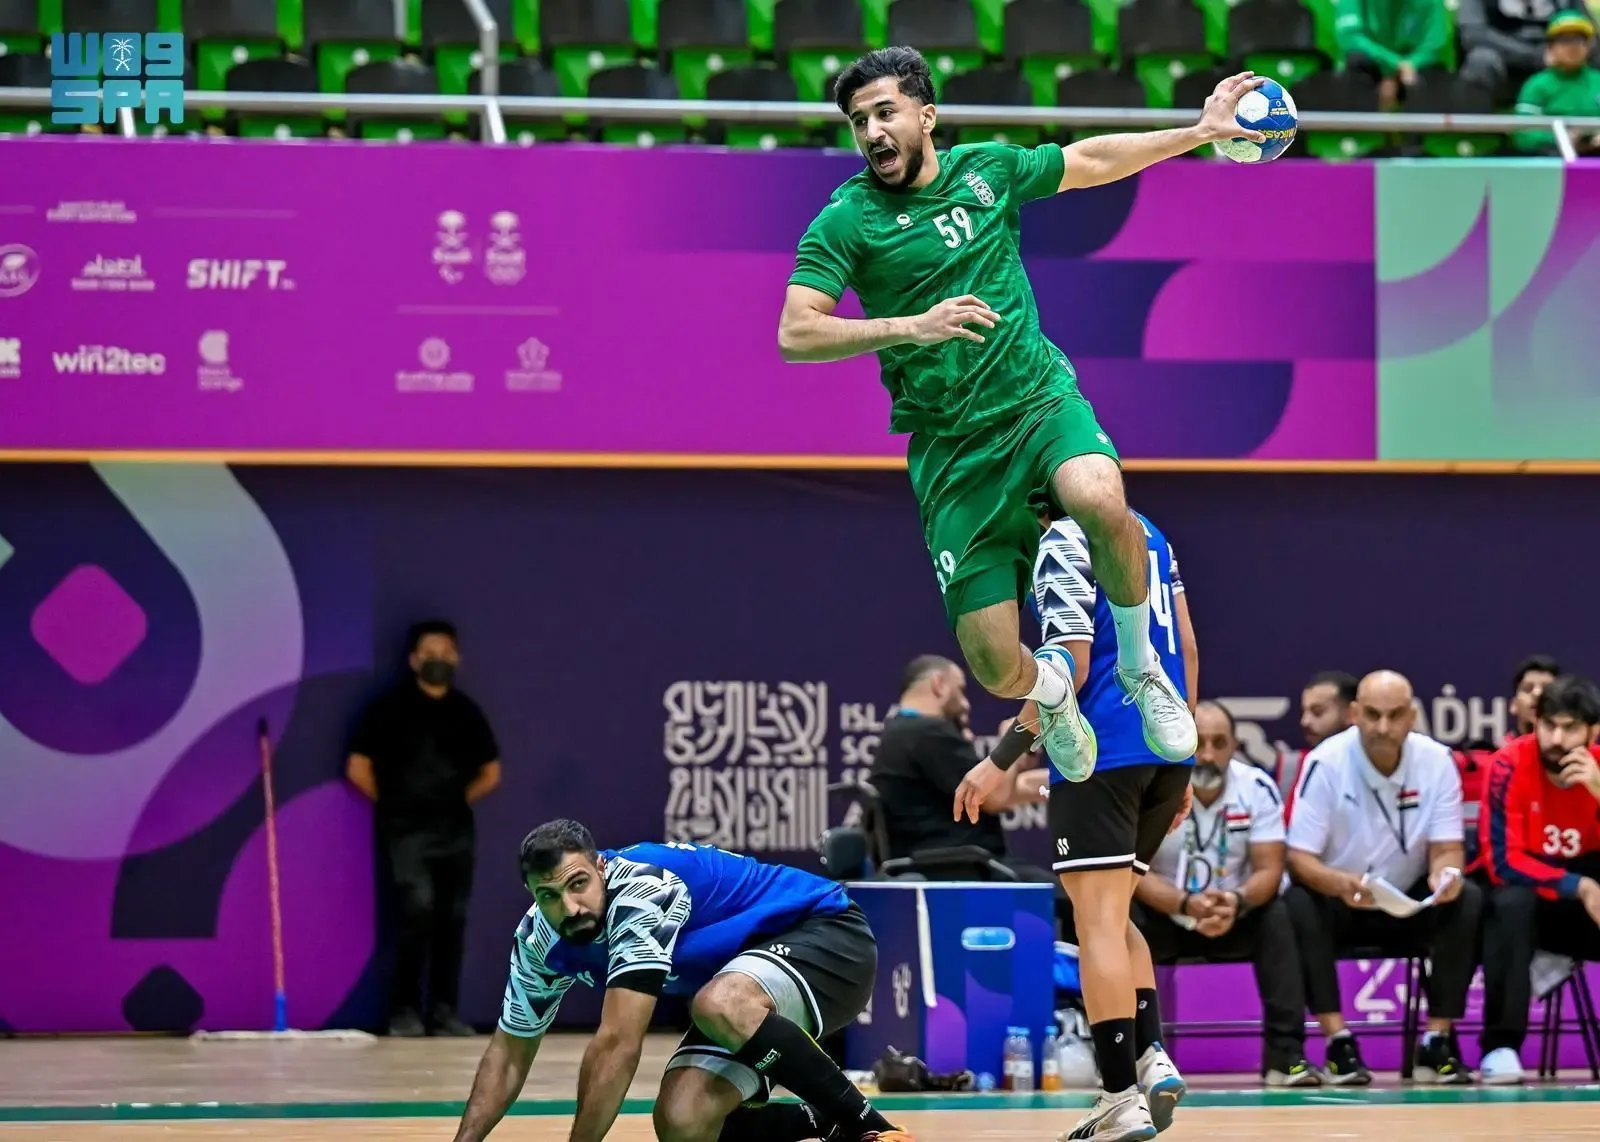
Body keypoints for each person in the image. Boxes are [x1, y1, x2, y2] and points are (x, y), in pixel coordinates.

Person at [776, 46, 1267, 782]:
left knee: (1102, 498)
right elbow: (796, 331)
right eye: (858, 121)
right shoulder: (847, 221)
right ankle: (1053, 694)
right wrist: (911, 325)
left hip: (1037, 402)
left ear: (925, 115)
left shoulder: (989, 172)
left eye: (885, 112)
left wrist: (1197, 132)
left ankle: (1138, 669)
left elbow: (1092, 159)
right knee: (995, 663)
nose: (873, 132)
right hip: (953, 452)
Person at [956, 507, 1195, 1141]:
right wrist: (1185, 755)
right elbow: (1188, 647)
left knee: (1095, 928)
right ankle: (1150, 1055)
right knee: (1114, 919)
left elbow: (1073, 669)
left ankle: (1118, 1097)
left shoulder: (1064, 538)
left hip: (1103, 752)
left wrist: (999, 761)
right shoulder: (1149, 531)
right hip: (1166, 752)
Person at [449, 820, 910, 1142]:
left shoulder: (639, 893)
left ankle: (871, 1126)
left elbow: (618, 1043)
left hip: (829, 935)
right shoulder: (539, 940)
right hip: (752, 980)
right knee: (681, 1119)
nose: (569, 906)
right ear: (531, 895)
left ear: (601, 869)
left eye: (578, 884)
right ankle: (818, 1121)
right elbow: (509, 1053)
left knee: (717, 1004)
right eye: (548, 895)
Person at [1283, 670, 1482, 1085]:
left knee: (1468, 900)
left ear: (1412, 717)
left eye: (1394, 716)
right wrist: (1338, 883)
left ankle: (1437, 1042)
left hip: (1408, 900)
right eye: (1372, 715)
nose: (1383, 727)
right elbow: (1299, 858)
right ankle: (1338, 1042)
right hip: (1342, 897)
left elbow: (1448, 848)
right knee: (1297, 903)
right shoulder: (1326, 762)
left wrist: (1445, 876)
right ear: (1354, 713)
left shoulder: (1437, 761)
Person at [1132, 702, 1318, 1086]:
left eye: (1219, 743)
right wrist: (1183, 904)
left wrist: (1236, 902)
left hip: (1232, 915)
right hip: (1167, 914)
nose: (1208, 754)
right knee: (1121, 917)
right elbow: (1133, 871)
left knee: (1280, 915)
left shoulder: (1255, 787)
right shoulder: (1152, 788)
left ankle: (1285, 1058)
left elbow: (1270, 868)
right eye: (1199, 743)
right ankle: (1134, 1056)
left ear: (1235, 744)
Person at [347, 619, 502, 1038]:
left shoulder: (466, 712)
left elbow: (491, 771)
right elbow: (358, 768)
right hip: (405, 831)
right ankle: (403, 1011)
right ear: (414, 659)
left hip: (456, 830)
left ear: (457, 658)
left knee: (452, 918)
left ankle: (444, 1011)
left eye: (445, 652)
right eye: (429, 652)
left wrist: (453, 801)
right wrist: (398, 804)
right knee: (415, 912)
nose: (438, 660)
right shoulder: (388, 709)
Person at [1477, 674, 1600, 1085]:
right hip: (1531, 900)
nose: (1556, 738)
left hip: (1585, 910)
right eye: (1549, 725)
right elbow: (1502, 862)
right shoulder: (1508, 764)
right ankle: (1501, 1047)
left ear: (1592, 731)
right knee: (1510, 902)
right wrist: (1577, 886)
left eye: (1569, 728)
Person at [871, 654, 1050, 871]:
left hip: (953, 863)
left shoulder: (904, 732)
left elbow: (1001, 789)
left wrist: (1069, 778)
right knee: (1068, 897)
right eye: (961, 690)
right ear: (938, 685)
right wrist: (1012, 741)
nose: (966, 705)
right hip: (961, 869)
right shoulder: (928, 733)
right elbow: (996, 797)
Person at [1512, 13, 1600, 155]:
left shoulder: (1598, 81)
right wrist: (1561, 138)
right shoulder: (1536, 85)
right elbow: (1524, 135)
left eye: (1579, 39)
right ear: (1550, 47)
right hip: (1553, 159)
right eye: (1565, 40)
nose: (1573, 47)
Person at [1509, 654, 1562, 741]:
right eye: (1528, 689)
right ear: (1513, 705)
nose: (1537, 693)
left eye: (1547, 689)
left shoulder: (1580, 753)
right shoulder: (1492, 753)